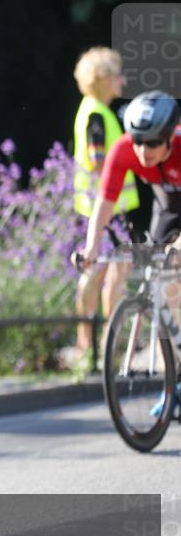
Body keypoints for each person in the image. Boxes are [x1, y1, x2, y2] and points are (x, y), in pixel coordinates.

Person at [79, 90, 181, 415]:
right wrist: (91, 248)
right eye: (137, 140)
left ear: (169, 138)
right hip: (168, 206)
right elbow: (104, 202)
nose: (142, 151)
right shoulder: (124, 150)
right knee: (165, 286)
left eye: (152, 143)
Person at [71, 48, 144, 366]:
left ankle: (91, 344)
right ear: (102, 80)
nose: (122, 81)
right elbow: (101, 164)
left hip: (98, 207)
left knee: (98, 273)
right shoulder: (98, 115)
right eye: (117, 75)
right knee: (112, 274)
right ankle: (101, 346)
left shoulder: (92, 110)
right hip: (109, 211)